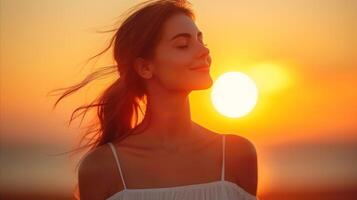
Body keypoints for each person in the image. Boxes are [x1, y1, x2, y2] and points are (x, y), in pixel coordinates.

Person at [51, 0, 258, 199]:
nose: (204, 51)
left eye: (201, 40)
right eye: (183, 45)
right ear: (145, 67)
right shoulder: (102, 167)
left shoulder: (237, 155)